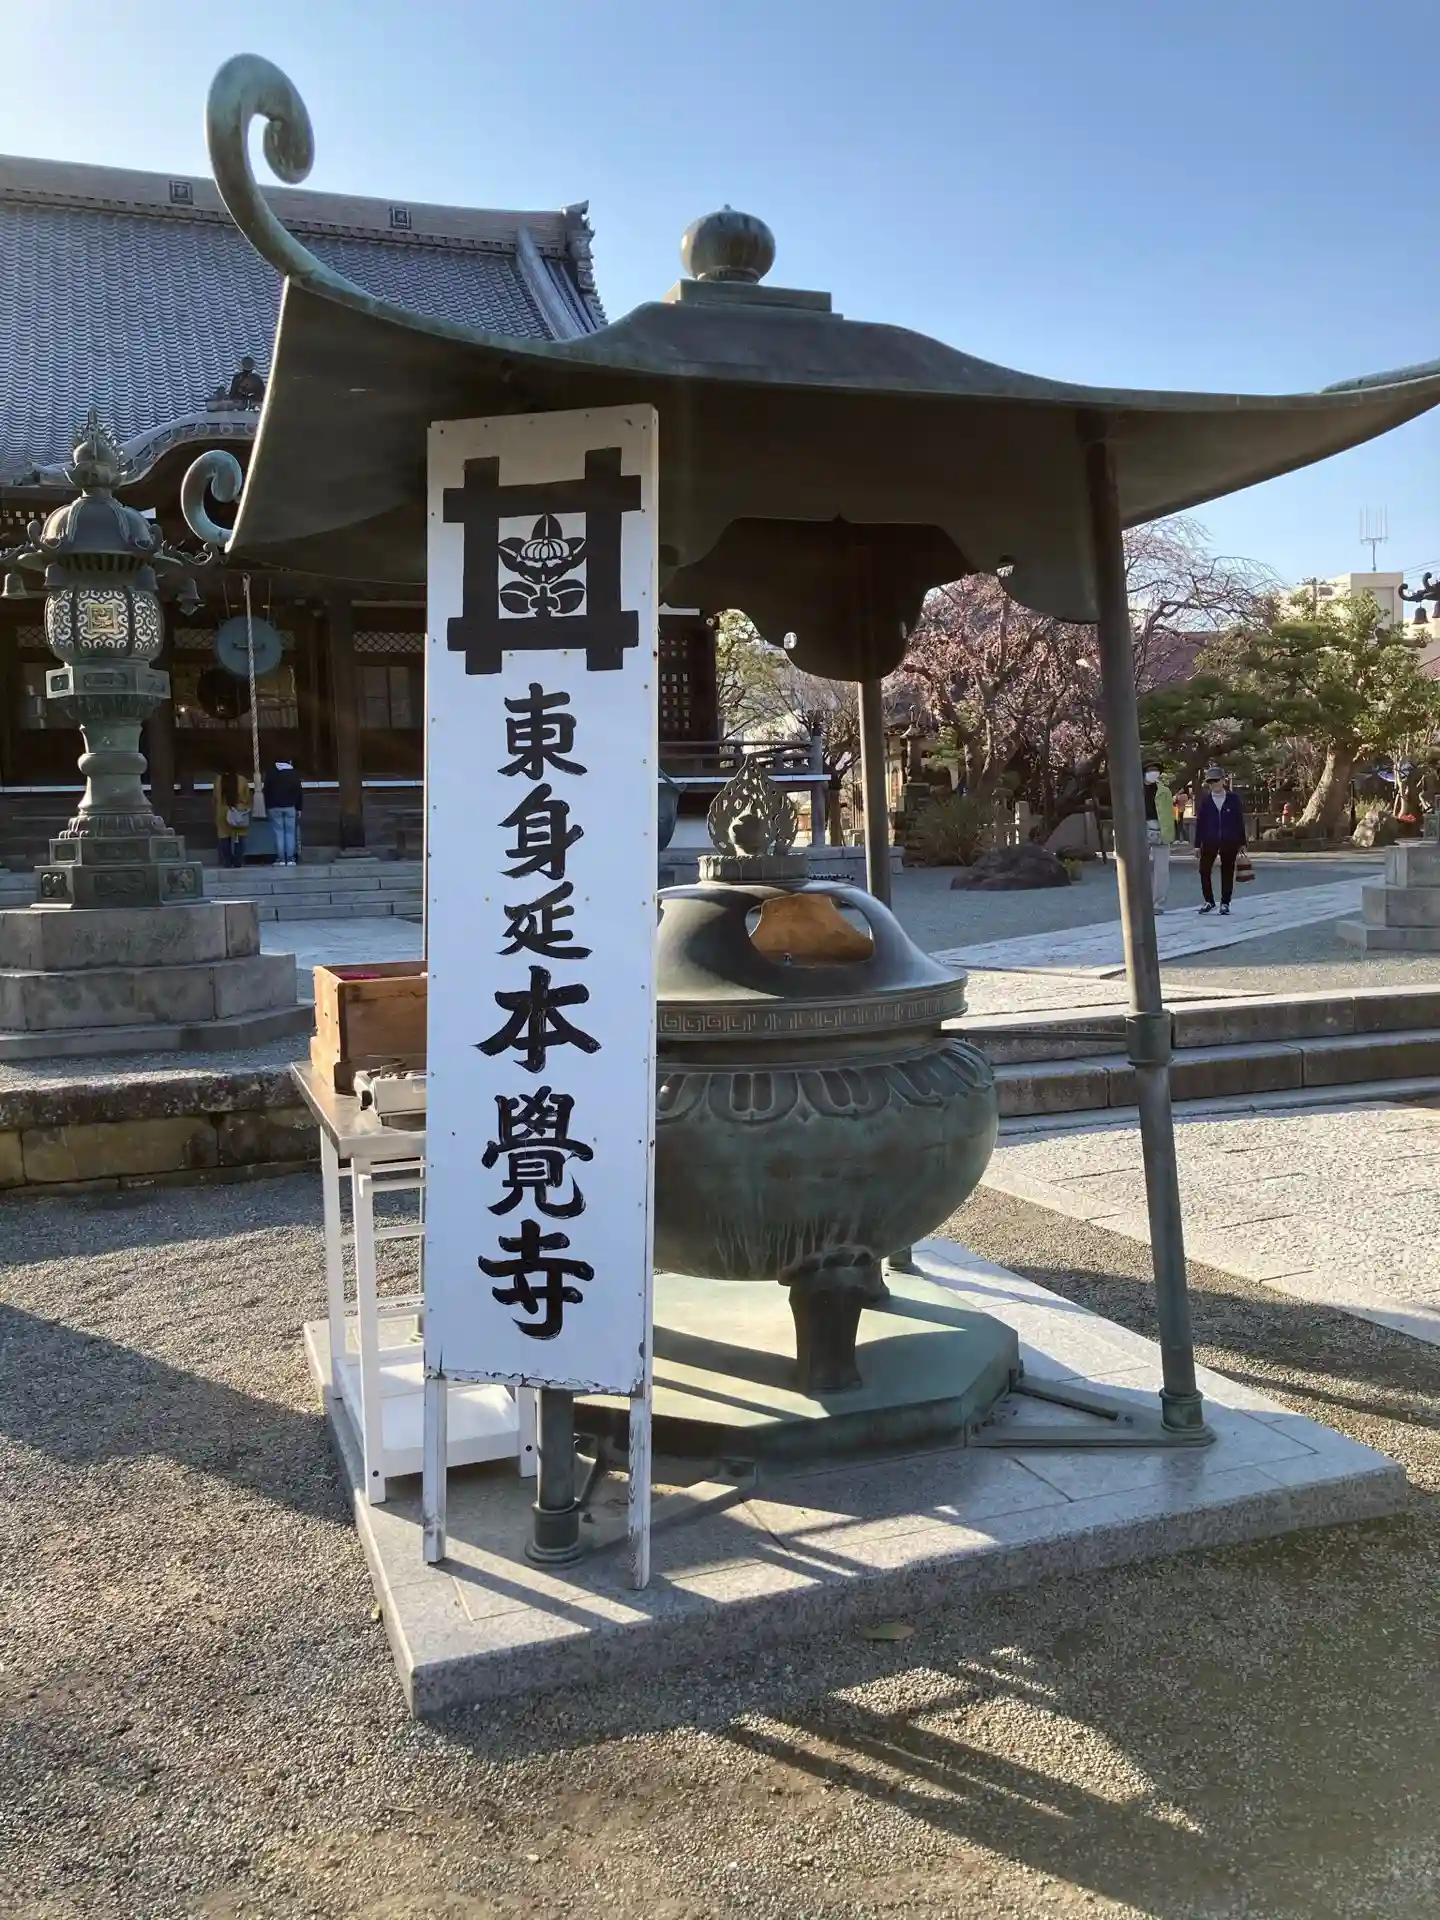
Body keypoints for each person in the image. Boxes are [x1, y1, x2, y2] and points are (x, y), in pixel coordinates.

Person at [1195, 765, 1246, 915]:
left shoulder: (1233, 799)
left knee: (1227, 870)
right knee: (1204, 870)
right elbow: (1200, 823)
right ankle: (1209, 900)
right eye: (1210, 782)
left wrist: (1242, 842)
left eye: (1216, 780)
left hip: (1229, 839)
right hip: (1209, 839)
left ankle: (1225, 902)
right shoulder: (1206, 801)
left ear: (1223, 781)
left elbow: (1239, 821)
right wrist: (1197, 844)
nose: (1214, 784)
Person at [1143, 763, 1176, 912]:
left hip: (1160, 827)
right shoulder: (1134, 789)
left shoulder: (1164, 791)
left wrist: (1169, 832)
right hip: (1140, 828)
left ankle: (1158, 904)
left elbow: (1169, 813)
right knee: (1137, 868)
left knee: (1162, 870)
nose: (1153, 773)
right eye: (1150, 770)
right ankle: (1140, 902)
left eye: (1156, 770)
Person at [264, 758, 304, 866]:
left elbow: (266, 790)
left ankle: (281, 859)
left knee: (279, 833)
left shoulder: (271, 773)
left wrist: (267, 806)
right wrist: (299, 807)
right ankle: (290, 859)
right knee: (290, 833)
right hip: (290, 807)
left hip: (274, 807)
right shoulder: (293, 774)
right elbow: (299, 791)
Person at [213, 768, 252, 869]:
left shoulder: (218, 780)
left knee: (224, 835)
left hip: (222, 810)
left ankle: (227, 861)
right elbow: (247, 797)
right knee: (240, 834)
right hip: (238, 810)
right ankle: (238, 861)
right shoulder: (242, 780)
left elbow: (215, 797)